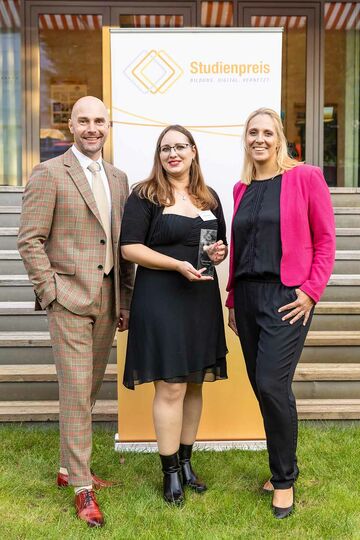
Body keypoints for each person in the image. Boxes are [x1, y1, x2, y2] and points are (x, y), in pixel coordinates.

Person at [18, 96, 134, 528]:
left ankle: (69, 468)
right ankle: (83, 487)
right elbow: (29, 239)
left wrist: (125, 300)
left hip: (107, 301)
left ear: (108, 126)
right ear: (71, 125)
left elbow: (120, 245)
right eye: (84, 120)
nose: (92, 128)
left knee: (87, 392)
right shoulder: (49, 173)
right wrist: (50, 292)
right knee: (75, 390)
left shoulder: (119, 179)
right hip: (68, 298)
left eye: (99, 121)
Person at [226, 108, 335, 519]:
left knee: (272, 383)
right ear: (246, 139)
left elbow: (325, 241)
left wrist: (310, 292)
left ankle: (284, 480)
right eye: (252, 132)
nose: (259, 138)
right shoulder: (242, 188)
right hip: (249, 297)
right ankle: (282, 465)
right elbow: (242, 248)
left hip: (288, 297)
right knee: (262, 387)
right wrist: (233, 299)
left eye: (267, 132)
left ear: (280, 138)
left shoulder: (305, 178)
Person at [120, 125, 228, 505]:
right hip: (160, 300)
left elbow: (220, 246)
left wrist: (219, 254)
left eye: (180, 146)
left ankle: (185, 462)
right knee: (171, 386)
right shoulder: (145, 194)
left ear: (194, 151)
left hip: (200, 301)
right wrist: (177, 264)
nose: (173, 154)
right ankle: (169, 474)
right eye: (166, 148)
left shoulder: (209, 197)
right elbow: (129, 248)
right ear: (159, 155)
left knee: (195, 383)